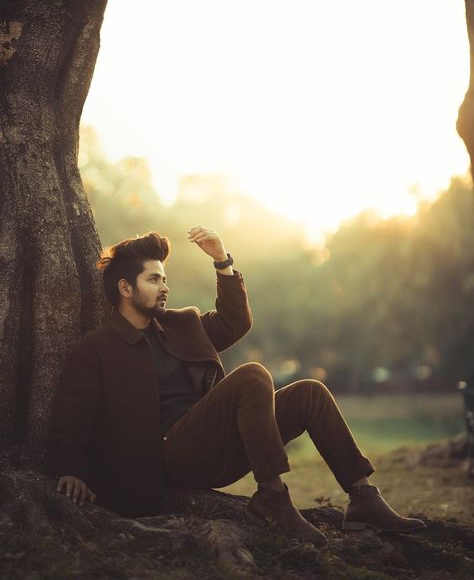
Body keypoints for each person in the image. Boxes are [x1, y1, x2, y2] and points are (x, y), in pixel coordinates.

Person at [48, 226, 426, 546]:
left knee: (309, 391)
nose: (165, 287)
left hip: (218, 445)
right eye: (153, 279)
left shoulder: (183, 323)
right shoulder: (95, 349)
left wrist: (222, 261)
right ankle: (273, 497)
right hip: (168, 457)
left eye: (165, 278)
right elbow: (73, 416)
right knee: (252, 375)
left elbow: (235, 322)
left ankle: (362, 497)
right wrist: (71, 469)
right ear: (125, 289)